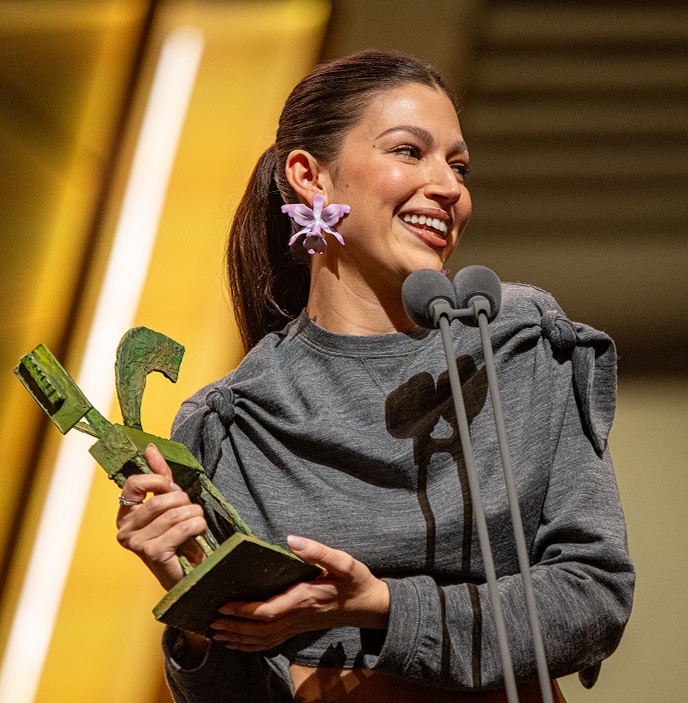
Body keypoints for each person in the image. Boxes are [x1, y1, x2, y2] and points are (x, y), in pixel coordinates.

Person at [115, 49, 634, 703]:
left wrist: (384, 606)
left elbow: (595, 593)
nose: (449, 186)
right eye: (410, 152)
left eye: (458, 164)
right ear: (311, 176)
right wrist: (192, 611)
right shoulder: (237, 420)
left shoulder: (521, 340)